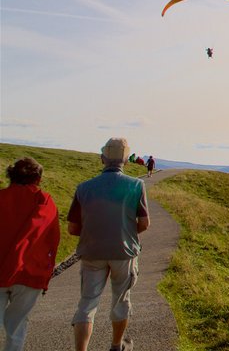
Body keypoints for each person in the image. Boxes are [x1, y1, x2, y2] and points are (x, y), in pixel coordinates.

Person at [68, 138, 149, 351]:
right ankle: (116, 345)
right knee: (121, 300)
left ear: (102, 158)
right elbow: (144, 223)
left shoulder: (84, 188)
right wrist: (126, 232)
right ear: (126, 160)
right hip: (124, 251)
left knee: (87, 303)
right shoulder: (136, 185)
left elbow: (72, 228)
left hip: (92, 251)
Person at [0, 158, 60, 351]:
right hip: (29, 273)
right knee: (17, 328)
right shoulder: (45, 201)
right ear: (38, 178)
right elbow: (53, 240)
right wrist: (46, 274)